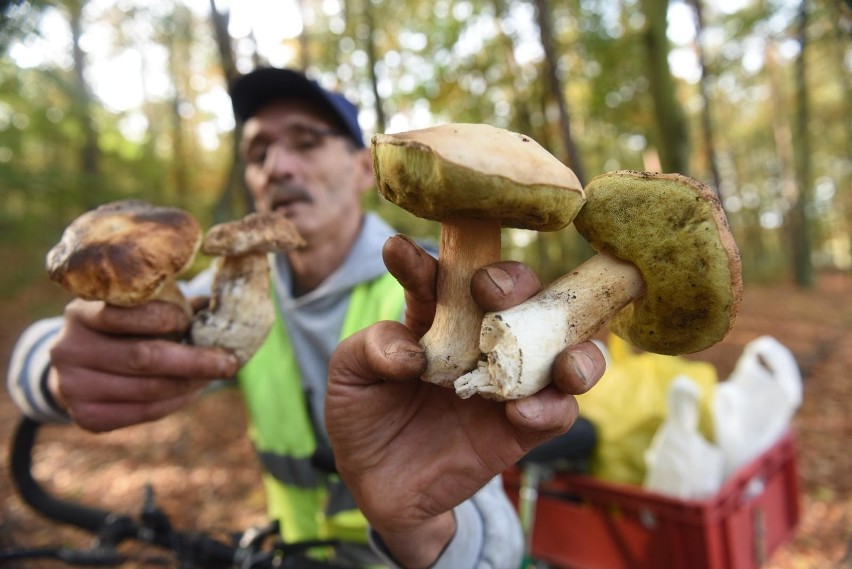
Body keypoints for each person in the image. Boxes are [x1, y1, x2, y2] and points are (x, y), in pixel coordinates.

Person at [7, 67, 606, 568]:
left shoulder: (433, 288)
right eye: (258, 150)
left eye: (306, 140)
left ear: (361, 168)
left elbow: (495, 547)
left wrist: (427, 533)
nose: (278, 167)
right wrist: (53, 368)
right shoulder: (240, 285)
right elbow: (65, 341)